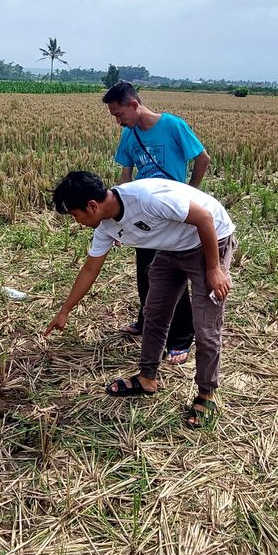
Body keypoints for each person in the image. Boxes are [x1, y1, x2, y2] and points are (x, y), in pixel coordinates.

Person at [44, 171, 236, 428]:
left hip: (210, 238)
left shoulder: (147, 198)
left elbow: (204, 218)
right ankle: (147, 378)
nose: (76, 222)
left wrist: (214, 269)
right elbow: (90, 269)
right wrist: (65, 310)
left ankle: (206, 393)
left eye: (75, 215)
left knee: (205, 326)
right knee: (154, 312)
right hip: (172, 248)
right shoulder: (105, 226)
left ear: (92, 206)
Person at [103, 81, 211, 365]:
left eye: (119, 114)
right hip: (145, 213)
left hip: (173, 211)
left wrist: (191, 191)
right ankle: (145, 321)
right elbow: (126, 178)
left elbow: (202, 158)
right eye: (114, 116)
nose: (118, 121)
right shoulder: (129, 136)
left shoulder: (173, 126)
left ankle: (180, 338)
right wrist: (121, 217)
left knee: (173, 276)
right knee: (145, 271)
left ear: (134, 105)